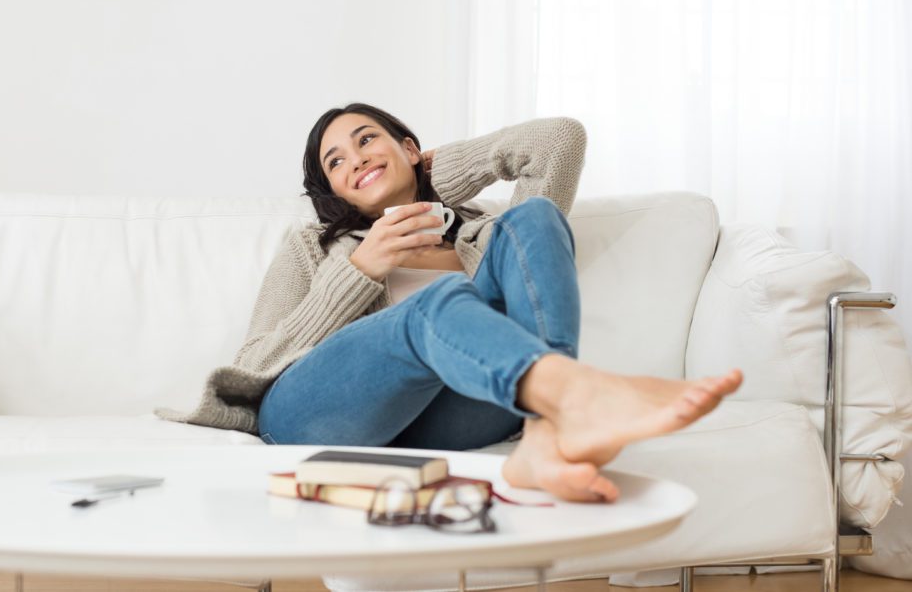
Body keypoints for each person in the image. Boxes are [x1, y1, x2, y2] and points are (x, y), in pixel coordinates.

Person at [156, 102, 742, 502]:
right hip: (316, 413)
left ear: (410, 148)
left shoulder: (482, 235)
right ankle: (576, 402)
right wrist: (362, 269)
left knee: (534, 216)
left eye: (368, 141)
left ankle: (548, 430)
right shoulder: (315, 246)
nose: (355, 159)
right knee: (434, 307)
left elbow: (559, 139)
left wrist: (438, 178)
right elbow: (258, 357)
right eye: (336, 162)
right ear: (332, 190)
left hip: (445, 416)